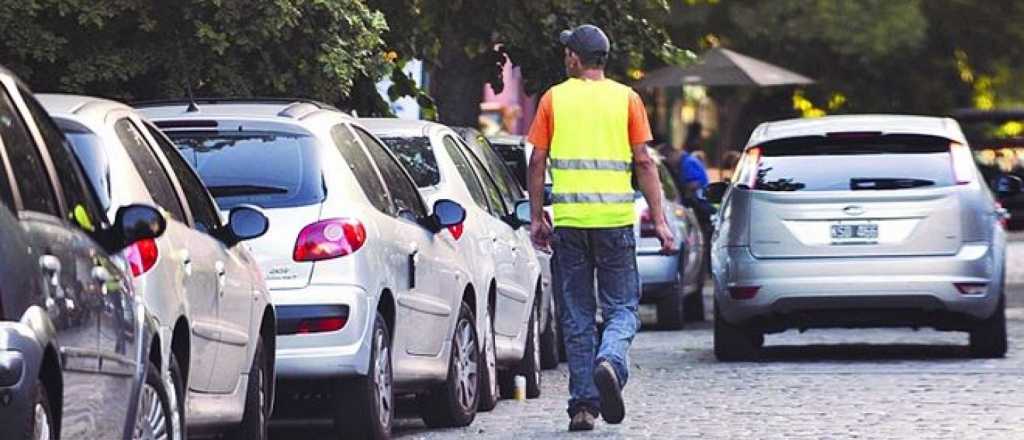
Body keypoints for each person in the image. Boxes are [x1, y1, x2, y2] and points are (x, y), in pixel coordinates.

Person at [526, 24, 675, 432]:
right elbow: (644, 161)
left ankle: (583, 408)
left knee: (575, 316)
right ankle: (610, 360)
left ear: (576, 58)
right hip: (614, 222)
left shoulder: (554, 99)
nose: (564, 58)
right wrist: (660, 221)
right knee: (623, 308)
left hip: (571, 224)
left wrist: (537, 217)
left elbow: (537, 162)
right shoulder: (626, 99)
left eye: (567, 52)